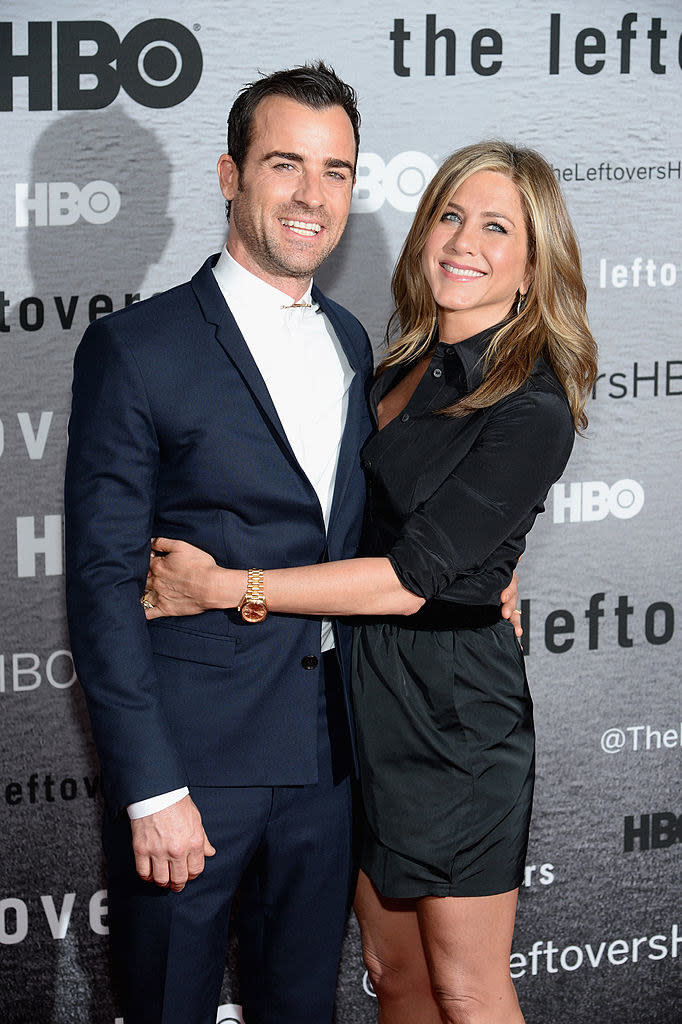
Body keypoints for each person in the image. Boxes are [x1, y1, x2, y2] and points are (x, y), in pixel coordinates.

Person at [64, 63, 521, 1024]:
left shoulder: (359, 347)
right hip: (196, 762)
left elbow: (388, 534)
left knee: (302, 1006)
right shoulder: (137, 348)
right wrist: (150, 788)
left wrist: (481, 581)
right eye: (285, 165)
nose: (313, 196)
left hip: (336, 757)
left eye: (338, 172)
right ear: (230, 174)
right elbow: (104, 583)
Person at [143, 141, 598, 1023]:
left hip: (454, 724)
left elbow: (409, 578)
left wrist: (227, 586)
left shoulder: (532, 408)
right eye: (450, 216)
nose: (463, 241)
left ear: (534, 262)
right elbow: (358, 517)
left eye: (496, 227)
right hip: (362, 706)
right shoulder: (389, 362)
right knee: (396, 979)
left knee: (467, 988)